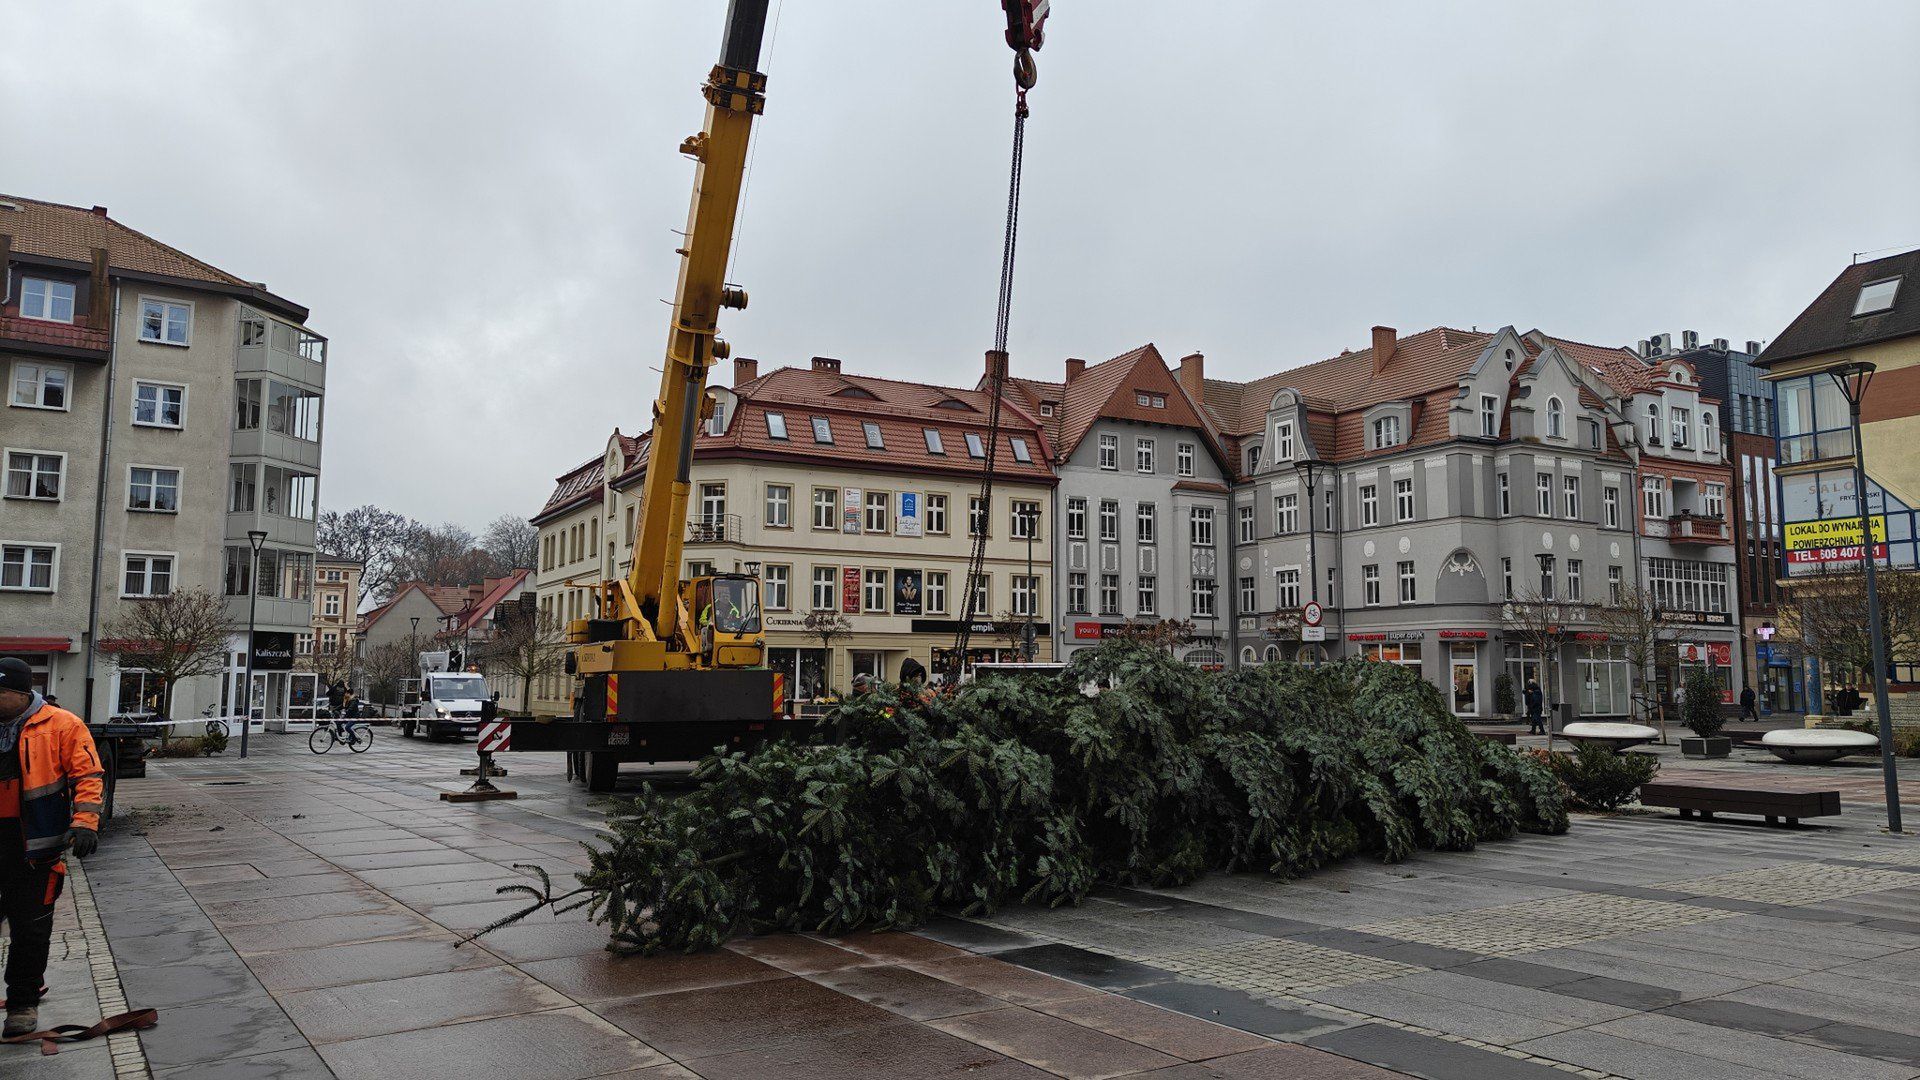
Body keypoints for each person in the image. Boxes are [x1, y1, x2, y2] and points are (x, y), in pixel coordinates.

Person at [0, 657, 103, 1038]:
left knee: (30, 929)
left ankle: (22, 1003)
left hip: (34, 848)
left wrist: (85, 823)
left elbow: (87, 775)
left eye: (1, 692)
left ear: (22, 693)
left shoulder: (62, 725)